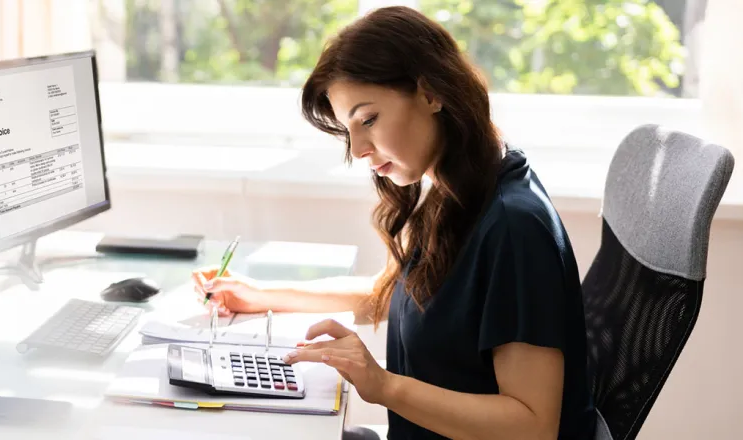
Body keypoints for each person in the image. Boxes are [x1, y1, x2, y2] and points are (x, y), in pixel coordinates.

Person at [192, 6, 596, 440]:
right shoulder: (457, 188)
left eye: (369, 119)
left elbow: (531, 427)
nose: (360, 149)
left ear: (431, 93)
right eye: (349, 131)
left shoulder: (514, 229)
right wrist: (259, 294)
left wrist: (383, 385)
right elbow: (397, 294)